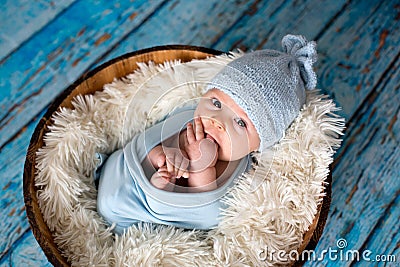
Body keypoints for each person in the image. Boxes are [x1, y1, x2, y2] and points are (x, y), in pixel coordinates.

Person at [95, 34, 318, 233]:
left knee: (207, 211)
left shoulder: (244, 173)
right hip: (120, 170)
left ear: (260, 144)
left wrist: (200, 167)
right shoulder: (189, 117)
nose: (218, 122)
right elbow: (153, 137)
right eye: (216, 103)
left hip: (130, 217)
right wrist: (160, 156)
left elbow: (203, 210)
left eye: (241, 122)